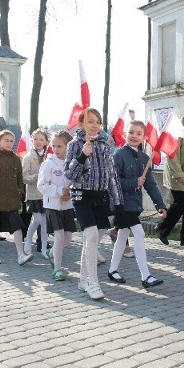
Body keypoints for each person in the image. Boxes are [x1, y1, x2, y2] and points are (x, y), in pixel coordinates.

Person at [65, 108, 123, 301]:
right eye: (90, 121)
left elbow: (112, 175)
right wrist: (82, 156)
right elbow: (69, 174)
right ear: (81, 124)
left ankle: (82, 278)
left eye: (98, 121)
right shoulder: (75, 144)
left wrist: (118, 202)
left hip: (101, 197)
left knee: (94, 239)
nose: (95, 125)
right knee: (89, 235)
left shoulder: (105, 146)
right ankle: (93, 282)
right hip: (81, 195)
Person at [109, 120, 167, 288]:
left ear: (144, 137)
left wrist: (160, 204)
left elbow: (150, 184)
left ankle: (112, 270)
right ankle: (146, 276)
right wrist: (134, 182)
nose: (134, 136)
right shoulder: (118, 155)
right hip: (121, 203)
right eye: (131, 132)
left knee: (122, 236)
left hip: (134, 204)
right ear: (125, 134)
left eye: (138, 133)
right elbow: (113, 182)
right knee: (140, 234)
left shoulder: (144, 158)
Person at [0, 130, 32, 265]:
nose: (9, 143)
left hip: (12, 200)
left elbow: (20, 180)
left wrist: (20, 192)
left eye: (11, 141)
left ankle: (21, 255)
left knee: (17, 227)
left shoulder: (16, 159)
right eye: (6, 140)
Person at [156, 103, 184, 246]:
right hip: (179, 175)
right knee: (180, 204)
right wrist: (178, 173)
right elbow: (172, 155)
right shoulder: (178, 130)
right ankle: (162, 228)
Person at [37, 130, 75, 281]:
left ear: (68, 146)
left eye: (60, 146)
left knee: (68, 237)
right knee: (59, 236)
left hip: (67, 206)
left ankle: (52, 252)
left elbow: (73, 182)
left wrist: (69, 193)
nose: (56, 149)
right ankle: (57, 268)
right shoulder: (48, 164)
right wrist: (59, 191)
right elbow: (41, 185)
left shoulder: (71, 164)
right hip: (52, 205)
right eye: (54, 145)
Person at [22, 128, 50, 257]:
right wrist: (34, 177)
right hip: (34, 193)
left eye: (41, 139)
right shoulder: (28, 157)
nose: (38, 142)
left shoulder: (49, 156)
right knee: (37, 219)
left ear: (46, 141)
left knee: (44, 222)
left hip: (46, 194)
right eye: (35, 139)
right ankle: (28, 240)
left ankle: (44, 248)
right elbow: (23, 177)